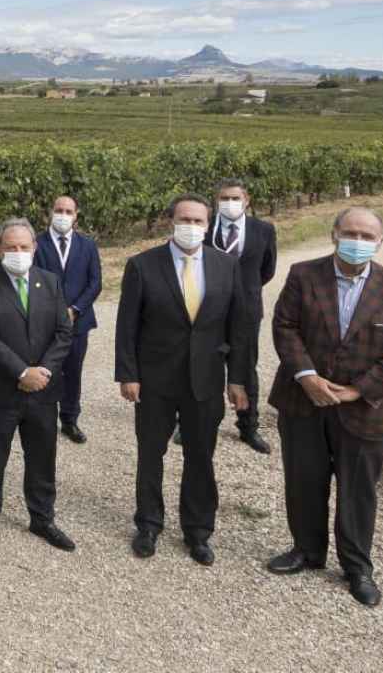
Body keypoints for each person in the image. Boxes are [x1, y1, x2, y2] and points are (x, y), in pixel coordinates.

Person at [266, 206, 383, 608]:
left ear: (380, 242)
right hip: (303, 401)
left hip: (365, 409)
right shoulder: (303, 275)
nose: (357, 241)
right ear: (334, 234)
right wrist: (306, 376)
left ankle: (357, 566)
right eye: (350, 232)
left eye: (367, 236)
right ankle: (306, 549)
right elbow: (284, 327)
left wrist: (358, 390)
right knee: (303, 480)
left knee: (358, 491)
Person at [115, 194, 252, 566]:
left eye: (198, 221)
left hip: (205, 379)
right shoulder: (143, 265)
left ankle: (198, 531)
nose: (191, 227)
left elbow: (238, 326)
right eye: (184, 220)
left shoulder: (226, 266)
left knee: (200, 457)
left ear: (208, 226)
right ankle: (148, 524)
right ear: (170, 222)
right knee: (150, 455)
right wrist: (128, 374)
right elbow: (127, 325)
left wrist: (237, 379)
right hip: (155, 379)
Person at [0, 219, 77, 556]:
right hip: (0, 388)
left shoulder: (51, 282)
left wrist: (41, 371)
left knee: (43, 456)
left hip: (44, 388)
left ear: (35, 248)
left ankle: (42, 518)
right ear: (0, 248)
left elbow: (63, 332)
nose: (17, 253)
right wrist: (20, 372)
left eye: (23, 247)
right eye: (11, 247)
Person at [211, 178, 279, 454]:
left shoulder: (263, 230)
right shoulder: (206, 229)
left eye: (234, 198)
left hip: (247, 312)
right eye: (224, 199)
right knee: (204, 365)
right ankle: (192, 420)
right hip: (209, 310)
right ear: (217, 202)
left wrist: (242, 293)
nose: (229, 203)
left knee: (246, 367)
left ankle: (248, 426)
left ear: (246, 199)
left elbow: (267, 269)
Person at [33, 195, 103, 445]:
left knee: (73, 371)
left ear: (76, 215)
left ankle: (70, 419)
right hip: (43, 322)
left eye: (68, 211)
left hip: (78, 322)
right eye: (58, 210)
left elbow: (95, 283)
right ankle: (43, 419)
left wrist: (75, 309)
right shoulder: (35, 244)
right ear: (50, 213)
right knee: (46, 369)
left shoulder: (87, 246)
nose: (63, 215)